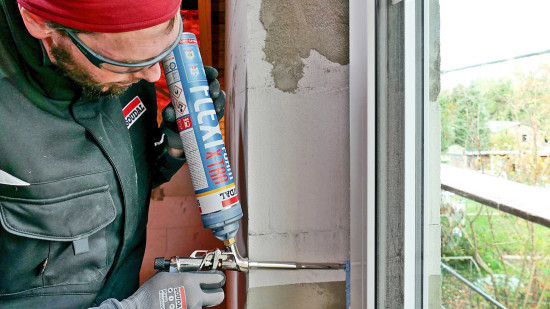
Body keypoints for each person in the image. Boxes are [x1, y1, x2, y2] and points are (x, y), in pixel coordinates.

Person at [0, 0, 226, 308]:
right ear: (41, 23)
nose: (152, 75)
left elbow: (113, 186)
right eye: (129, 64)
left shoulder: (121, 66)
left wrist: (172, 145)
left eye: (159, 53)